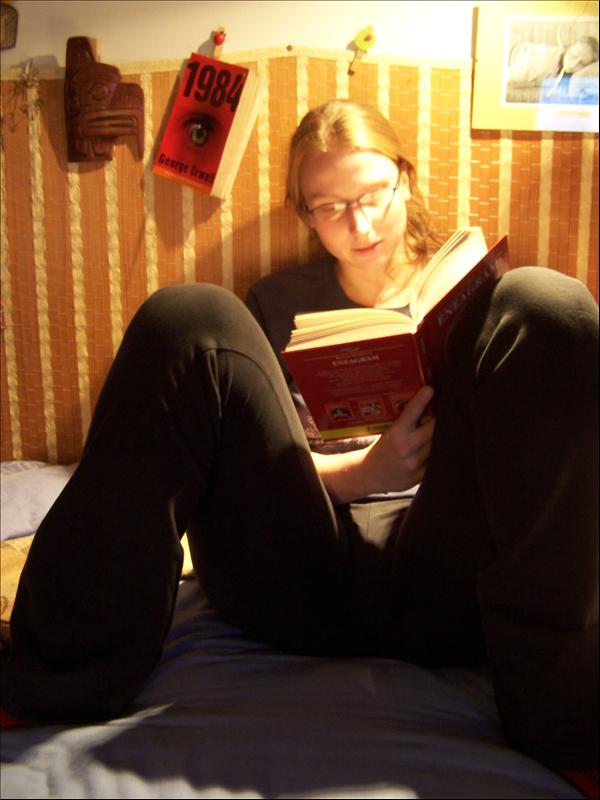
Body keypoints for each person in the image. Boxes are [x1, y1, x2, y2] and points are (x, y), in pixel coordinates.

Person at [1, 100, 598, 789]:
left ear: (404, 179)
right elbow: (251, 467)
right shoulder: (277, 301)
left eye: (371, 196)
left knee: (548, 302)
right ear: (305, 214)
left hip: (449, 576)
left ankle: (567, 720)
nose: (359, 225)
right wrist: (361, 471)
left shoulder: (471, 300)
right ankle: (58, 675)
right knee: (186, 314)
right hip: (299, 573)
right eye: (329, 207)